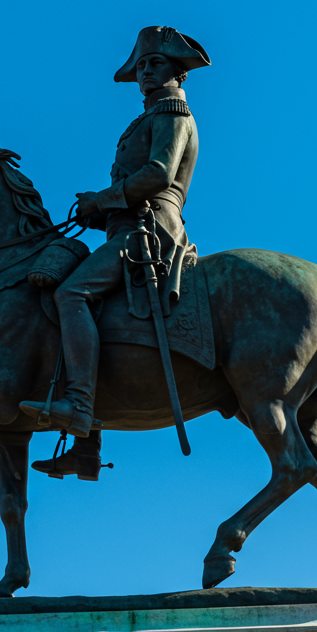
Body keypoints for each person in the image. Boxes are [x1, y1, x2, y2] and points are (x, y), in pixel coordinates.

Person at [19, 26, 210, 478]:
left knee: (72, 294)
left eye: (155, 63)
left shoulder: (173, 112)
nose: (146, 71)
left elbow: (160, 174)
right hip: (124, 227)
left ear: (178, 70)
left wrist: (103, 200)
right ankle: (86, 450)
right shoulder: (147, 117)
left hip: (151, 229)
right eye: (141, 64)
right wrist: (99, 212)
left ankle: (79, 406)